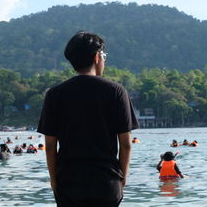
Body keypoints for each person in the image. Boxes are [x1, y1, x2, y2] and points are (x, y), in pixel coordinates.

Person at [38, 31, 138, 207]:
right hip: (106, 181)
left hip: (69, 182)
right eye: (104, 55)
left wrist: (54, 181)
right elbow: (126, 144)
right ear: (97, 57)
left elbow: (50, 147)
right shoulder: (116, 91)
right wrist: (122, 177)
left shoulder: (55, 94)